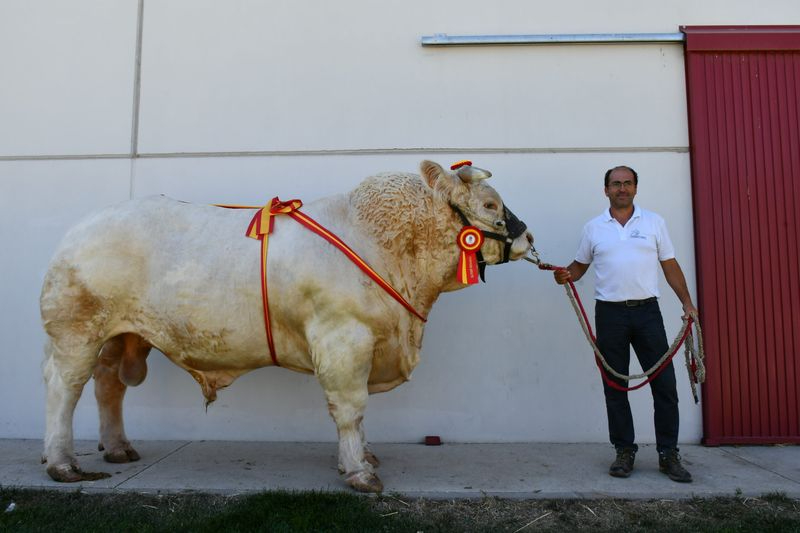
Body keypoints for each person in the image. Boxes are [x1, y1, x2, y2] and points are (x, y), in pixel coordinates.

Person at [554, 165, 697, 483]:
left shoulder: (654, 223)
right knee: (615, 387)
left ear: (635, 188)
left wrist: (687, 302)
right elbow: (579, 267)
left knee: (665, 386)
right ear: (605, 190)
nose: (622, 188)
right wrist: (566, 274)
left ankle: (668, 454)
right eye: (615, 184)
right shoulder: (594, 228)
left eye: (627, 183)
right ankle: (624, 452)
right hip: (610, 316)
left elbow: (669, 265)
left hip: (648, 314)